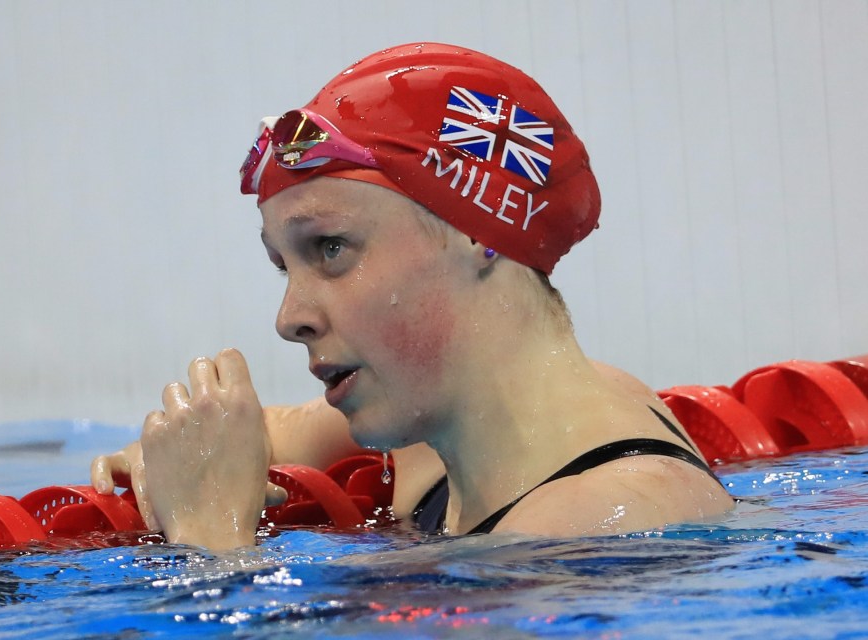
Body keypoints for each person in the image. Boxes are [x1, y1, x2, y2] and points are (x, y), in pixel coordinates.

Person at [90, 42, 733, 550]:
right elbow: (273, 429)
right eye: (283, 267)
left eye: (332, 248)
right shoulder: (437, 424)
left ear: (478, 233)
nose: (289, 319)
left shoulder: (600, 524)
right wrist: (180, 452)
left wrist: (212, 543)